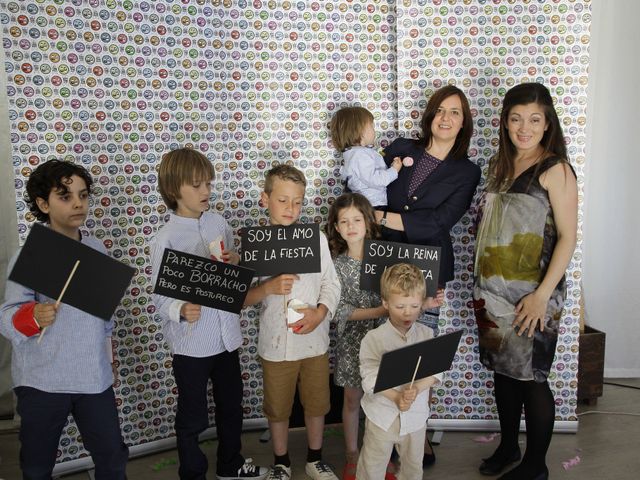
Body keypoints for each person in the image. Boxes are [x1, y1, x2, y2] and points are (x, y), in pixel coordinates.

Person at [473, 82, 578, 480]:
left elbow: (567, 238)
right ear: (504, 122)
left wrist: (541, 296)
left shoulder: (555, 170)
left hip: (532, 295)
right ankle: (507, 447)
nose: (524, 127)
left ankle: (536, 466)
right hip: (491, 294)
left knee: (531, 378)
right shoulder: (498, 166)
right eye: (516, 118)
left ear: (547, 123)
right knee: (503, 372)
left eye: (534, 119)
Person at [0, 159, 129, 479]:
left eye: (83, 196)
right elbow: (7, 315)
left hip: (92, 375)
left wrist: (108, 357)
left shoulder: (97, 248)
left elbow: (104, 313)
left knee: (112, 456)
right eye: (65, 196)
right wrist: (33, 315)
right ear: (43, 203)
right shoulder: (31, 252)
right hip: (43, 379)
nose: (77, 204)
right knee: (37, 463)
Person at [378, 84, 481, 465]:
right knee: (386, 348)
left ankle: (417, 434)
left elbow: (441, 221)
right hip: (384, 261)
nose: (446, 117)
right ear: (430, 115)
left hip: (428, 267)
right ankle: (386, 433)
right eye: (440, 109)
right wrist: (375, 217)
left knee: (420, 354)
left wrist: (385, 217)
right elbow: (370, 186)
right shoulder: (401, 148)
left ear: (463, 122)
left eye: (455, 112)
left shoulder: (467, 171)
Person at [150, 148, 268, 480]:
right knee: (193, 417)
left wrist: (235, 262)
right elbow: (160, 298)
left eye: (208, 184)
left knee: (232, 408)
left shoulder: (219, 223)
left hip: (227, 337)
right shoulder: (166, 239)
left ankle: (231, 464)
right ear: (174, 190)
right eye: (197, 185)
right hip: (192, 345)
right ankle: (192, 472)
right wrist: (180, 308)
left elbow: (234, 274)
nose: (206, 191)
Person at [243, 164, 341, 480]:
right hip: (275, 344)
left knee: (316, 404)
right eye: (283, 200)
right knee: (278, 408)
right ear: (265, 199)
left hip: (314, 340)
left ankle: (315, 458)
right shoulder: (254, 244)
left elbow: (331, 283)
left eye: (297, 201)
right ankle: (281, 462)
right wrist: (268, 287)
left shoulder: (318, 239)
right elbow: (242, 297)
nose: (291, 208)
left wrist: (321, 312)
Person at [356, 263, 443, 480]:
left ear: (422, 303)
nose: (407, 313)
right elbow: (369, 379)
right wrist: (396, 396)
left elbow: (437, 371)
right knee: (372, 467)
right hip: (382, 417)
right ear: (385, 303)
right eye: (400, 306)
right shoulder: (374, 339)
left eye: (414, 306)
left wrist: (417, 388)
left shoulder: (426, 333)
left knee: (413, 468)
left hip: (415, 419)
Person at [325, 192, 388, 480]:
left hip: (384, 340)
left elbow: (404, 291)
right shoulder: (336, 264)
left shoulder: (386, 257)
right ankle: (352, 452)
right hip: (353, 341)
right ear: (336, 228)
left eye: (357, 220)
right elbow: (338, 309)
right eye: (344, 221)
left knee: (380, 398)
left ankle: (379, 453)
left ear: (368, 222)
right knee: (352, 399)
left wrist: (425, 301)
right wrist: (376, 311)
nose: (351, 226)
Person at [330, 106, 407, 208]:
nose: (374, 131)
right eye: (372, 127)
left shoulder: (354, 153)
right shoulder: (360, 155)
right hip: (372, 204)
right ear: (359, 132)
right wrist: (394, 170)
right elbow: (375, 180)